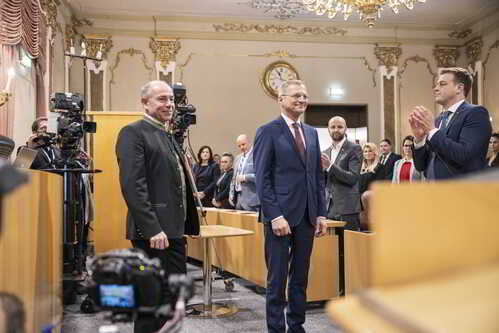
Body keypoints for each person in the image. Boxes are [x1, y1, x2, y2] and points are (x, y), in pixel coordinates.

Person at [115, 80, 200, 333]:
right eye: (162, 99)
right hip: (152, 233)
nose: (169, 104)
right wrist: (152, 228)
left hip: (173, 230)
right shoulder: (133, 132)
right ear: (145, 102)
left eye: (171, 99)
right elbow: (133, 186)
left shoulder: (166, 134)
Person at [254, 80, 327, 333]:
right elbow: (262, 178)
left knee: (300, 278)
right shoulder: (267, 131)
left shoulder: (311, 132)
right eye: (296, 95)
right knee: (277, 279)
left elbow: (317, 176)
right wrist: (275, 216)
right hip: (280, 218)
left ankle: (297, 326)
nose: (302, 100)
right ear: (281, 99)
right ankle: (276, 329)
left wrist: (320, 213)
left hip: (307, 215)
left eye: (305, 96)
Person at [409, 67, 492, 180]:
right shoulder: (437, 120)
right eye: (436, 84)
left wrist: (432, 131)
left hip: (462, 191)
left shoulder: (476, 113)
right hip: (434, 192)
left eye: (442, 84)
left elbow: (464, 154)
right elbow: (421, 166)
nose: (435, 89)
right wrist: (419, 140)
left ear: (459, 88)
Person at [321, 116, 362, 231]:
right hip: (329, 208)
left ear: (346, 129)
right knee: (331, 247)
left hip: (347, 209)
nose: (336, 129)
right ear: (328, 130)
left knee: (348, 248)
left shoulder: (354, 149)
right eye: (333, 127)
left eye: (340, 127)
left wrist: (330, 166)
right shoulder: (325, 152)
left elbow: (353, 178)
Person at [229, 134, 260, 211]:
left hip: (253, 200)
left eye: (243, 144)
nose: (241, 147)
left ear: (250, 142)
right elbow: (234, 178)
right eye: (239, 146)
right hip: (238, 200)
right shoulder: (237, 158)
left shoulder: (257, 155)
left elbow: (261, 176)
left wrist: (245, 177)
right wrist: (231, 195)